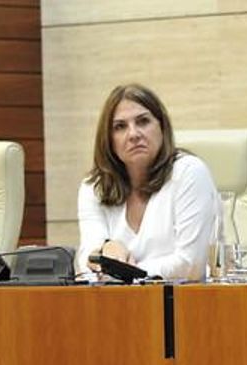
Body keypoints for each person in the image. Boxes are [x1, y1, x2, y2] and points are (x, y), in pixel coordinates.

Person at [77, 83, 219, 280]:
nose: (134, 134)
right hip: (118, 306)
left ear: (162, 127)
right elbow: (87, 263)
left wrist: (121, 272)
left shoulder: (189, 173)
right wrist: (105, 248)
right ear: (108, 140)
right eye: (120, 127)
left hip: (185, 304)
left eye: (143, 121)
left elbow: (191, 265)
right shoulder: (94, 187)